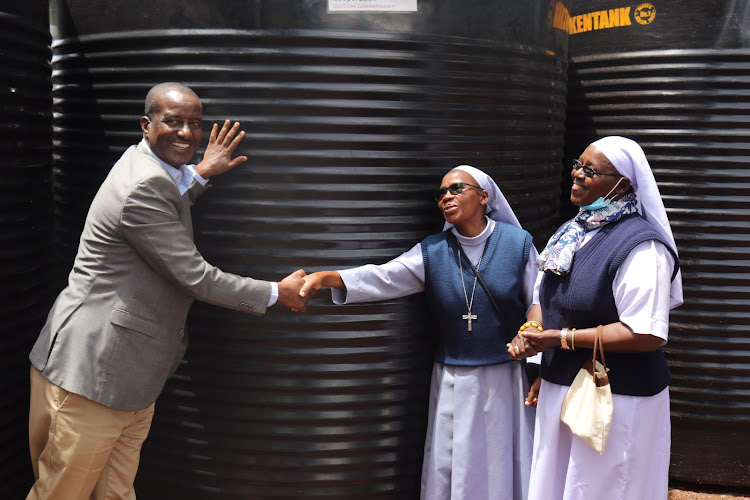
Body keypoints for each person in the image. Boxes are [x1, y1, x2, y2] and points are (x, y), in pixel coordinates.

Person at [26, 82, 310, 500]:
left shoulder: (146, 169)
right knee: (62, 494)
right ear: (146, 124)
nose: (187, 133)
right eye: (173, 121)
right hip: (93, 376)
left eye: (194, 124)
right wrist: (275, 292)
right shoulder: (142, 186)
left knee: (116, 493)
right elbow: (195, 275)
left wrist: (198, 174)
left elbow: (160, 205)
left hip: (128, 376)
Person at [299, 165, 539, 500]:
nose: (446, 197)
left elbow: (539, 303)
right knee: (452, 461)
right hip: (452, 375)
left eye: (456, 189)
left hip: (505, 377)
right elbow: (385, 277)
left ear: (484, 197)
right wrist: (329, 277)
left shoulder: (518, 244)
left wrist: (537, 361)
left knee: (501, 459)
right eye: (441, 193)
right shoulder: (434, 250)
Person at [507, 136, 682, 499]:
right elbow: (544, 296)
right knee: (558, 484)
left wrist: (560, 340)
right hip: (563, 387)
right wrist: (535, 333)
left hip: (617, 399)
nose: (578, 174)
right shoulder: (572, 233)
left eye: (591, 170)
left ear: (623, 185)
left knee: (603, 486)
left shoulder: (641, 247)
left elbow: (645, 333)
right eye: (578, 164)